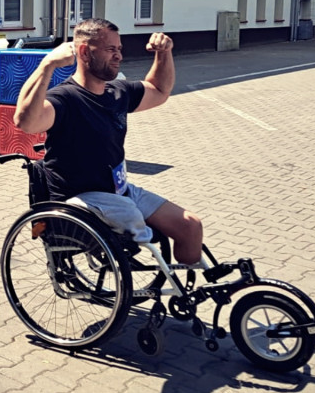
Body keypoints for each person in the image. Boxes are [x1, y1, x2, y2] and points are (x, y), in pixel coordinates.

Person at [14, 17, 203, 264]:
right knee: (134, 219)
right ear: (84, 51)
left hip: (120, 192)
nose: (118, 56)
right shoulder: (65, 99)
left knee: (190, 226)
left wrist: (163, 53)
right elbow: (25, 121)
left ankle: (187, 295)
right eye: (110, 49)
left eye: (119, 49)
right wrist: (47, 65)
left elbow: (159, 91)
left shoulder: (118, 92)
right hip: (84, 199)